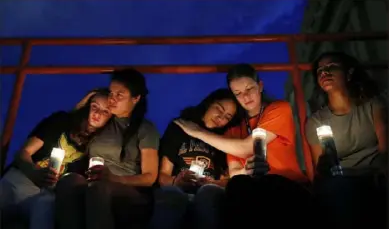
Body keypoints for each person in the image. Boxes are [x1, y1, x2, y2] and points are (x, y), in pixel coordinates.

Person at [175, 63, 313, 228]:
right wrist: (246, 170)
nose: (246, 97)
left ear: (260, 86)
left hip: (286, 183)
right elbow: (234, 173)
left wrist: (198, 132)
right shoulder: (234, 130)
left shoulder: (278, 109)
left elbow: (248, 147)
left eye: (249, 89)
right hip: (253, 190)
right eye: (238, 93)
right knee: (237, 185)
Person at [55, 68, 160, 229]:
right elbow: (72, 120)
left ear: (136, 98)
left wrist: (114, 179)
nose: (112, 99)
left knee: (99, 188)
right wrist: (89, 97)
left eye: (119, 95)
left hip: (130, 190)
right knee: (69, 180)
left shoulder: (145, 129)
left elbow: (150, 177)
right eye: (111, 93)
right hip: (95, 182)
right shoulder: (103, 121)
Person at [0, 89, 112, 229]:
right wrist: (34, 172)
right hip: (21, 179)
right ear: (87, 105)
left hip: (48, 193)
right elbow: (23, 153)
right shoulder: (62, 121)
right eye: (94, 106)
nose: (97, 114)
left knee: (45, 209)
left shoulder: (99, 146)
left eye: (105, 111)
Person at [305, 51, 387, 229]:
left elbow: (385, 150)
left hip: (376, 175)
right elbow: (319, 171)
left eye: (331, 67)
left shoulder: (373, 105)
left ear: (349, 73)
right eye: (320, 71)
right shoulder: (316, 121)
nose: (324, 73)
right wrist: (323, 165)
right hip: (342, 180)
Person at [150, 88, 238, 229]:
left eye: (227, 117)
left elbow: (227, 180)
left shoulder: (225, 140)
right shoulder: (181, 127)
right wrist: (176, 181)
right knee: (171, 194)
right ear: (209, 103)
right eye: (219, 109)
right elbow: (163, 175)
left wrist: (211, 182)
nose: (221, 118)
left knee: (208, 193)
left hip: (209, 188)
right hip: (177, 187)